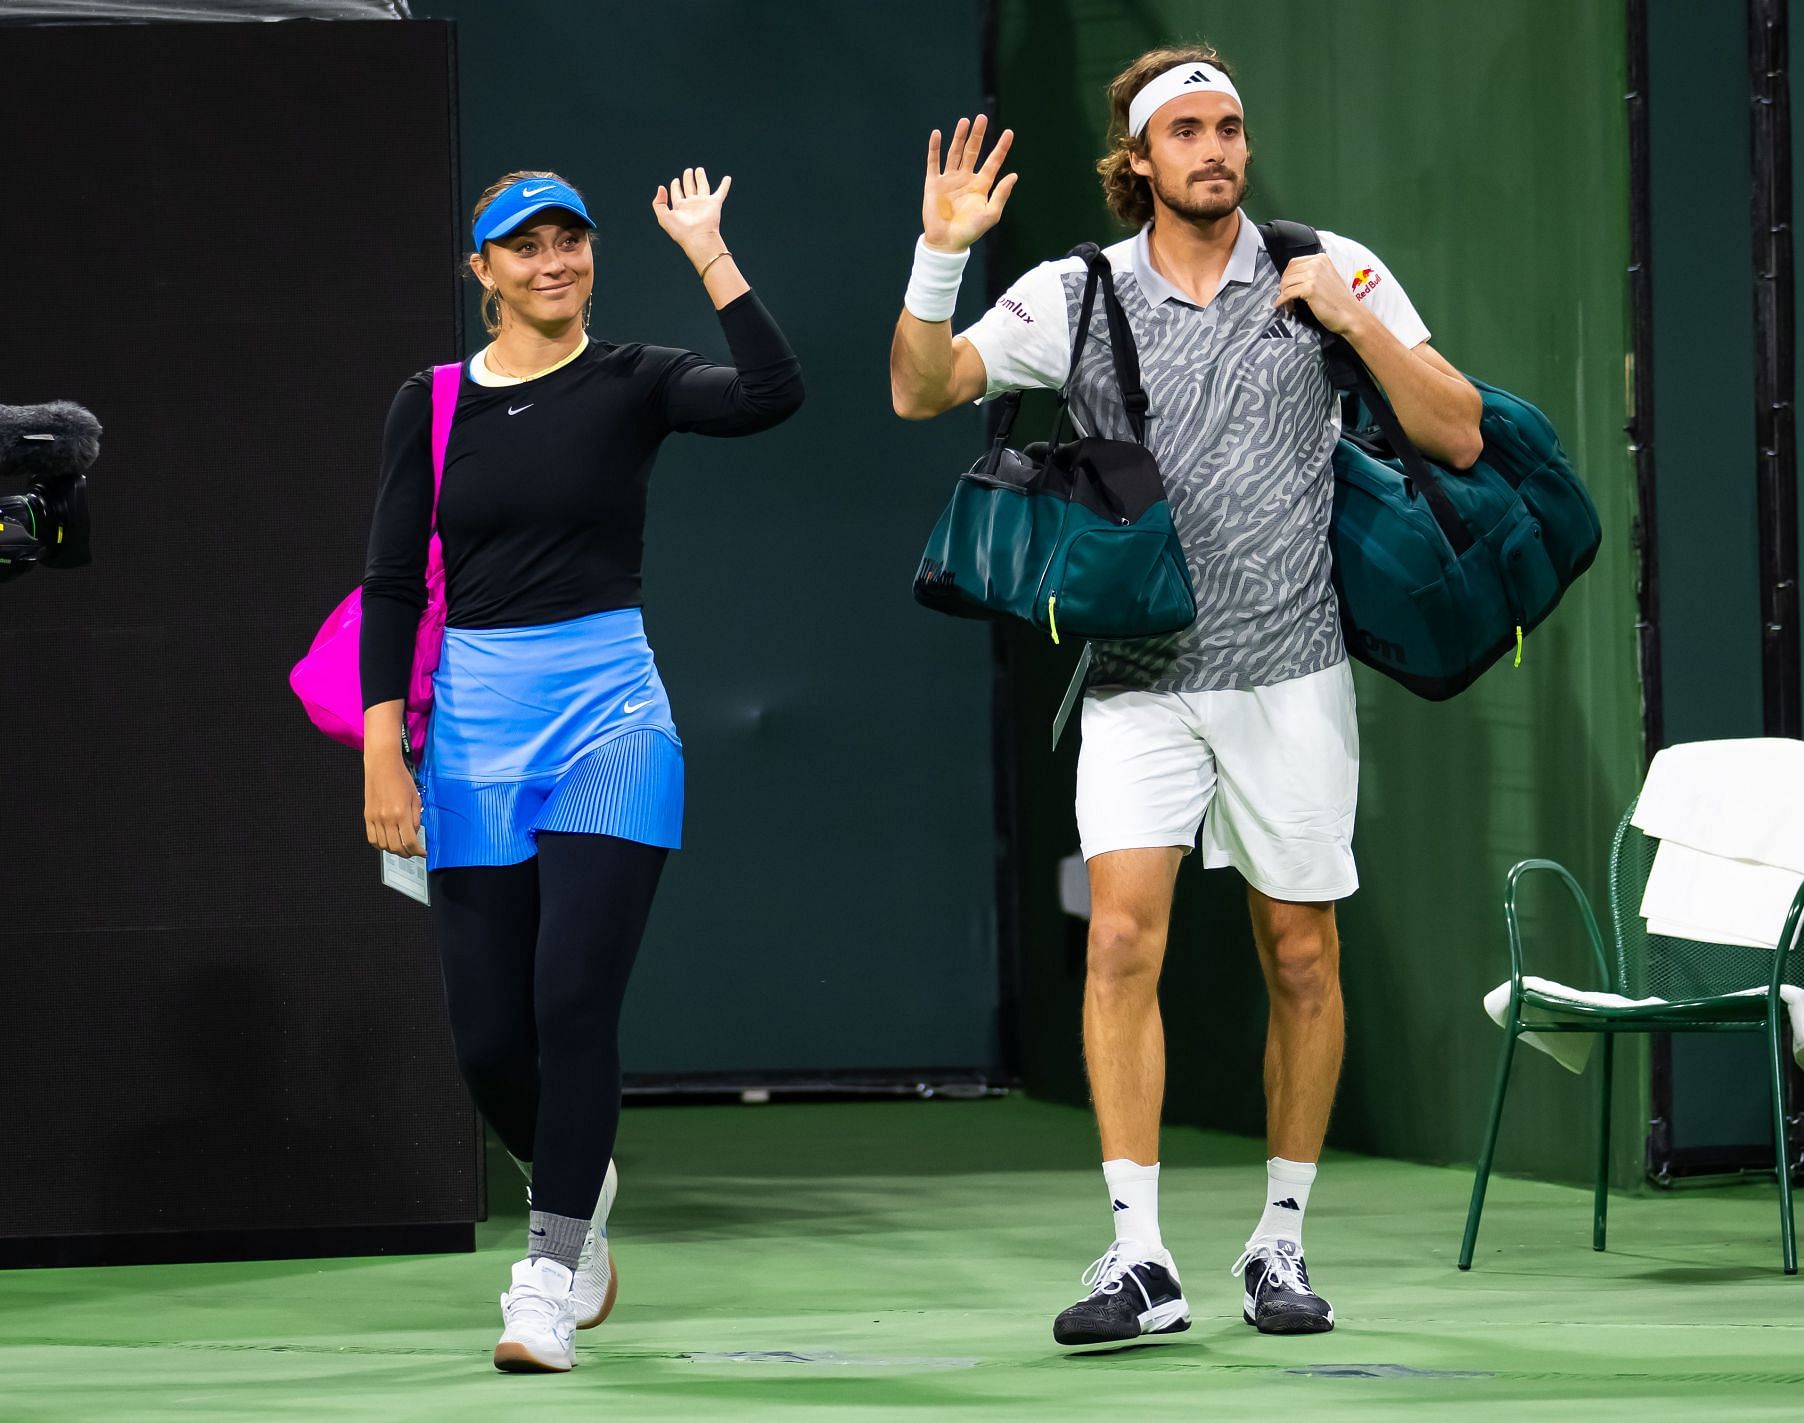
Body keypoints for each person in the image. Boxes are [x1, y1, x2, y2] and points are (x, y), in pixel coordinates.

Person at [889, 47, 1482, 1346]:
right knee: (1117, 942)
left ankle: (1281, 1237)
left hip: (1293, 671)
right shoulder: (1077, 293)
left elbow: (1456, 432)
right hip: (1140, 683)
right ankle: (1141, 1255)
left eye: (1232, 127)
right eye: (1190, 131)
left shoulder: (1332, 267)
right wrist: (942, 258)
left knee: (1302, 953)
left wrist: (1356, 322)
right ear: (1140, 162)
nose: (1219, 148)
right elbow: (919, 388)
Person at [360, 167, 803, 1372]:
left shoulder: (639, 378)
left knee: (573, 1006)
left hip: (611, 720)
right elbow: (395, 583)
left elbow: (772, 391)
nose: (552, 261)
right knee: (489, 1040)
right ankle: (577, 1177)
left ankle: (548, 1274)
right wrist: (381, 749)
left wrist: (709, 250)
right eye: (524, 247)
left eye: (570, 240)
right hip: (468, 743)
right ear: (483, 272)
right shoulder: (435, 402)